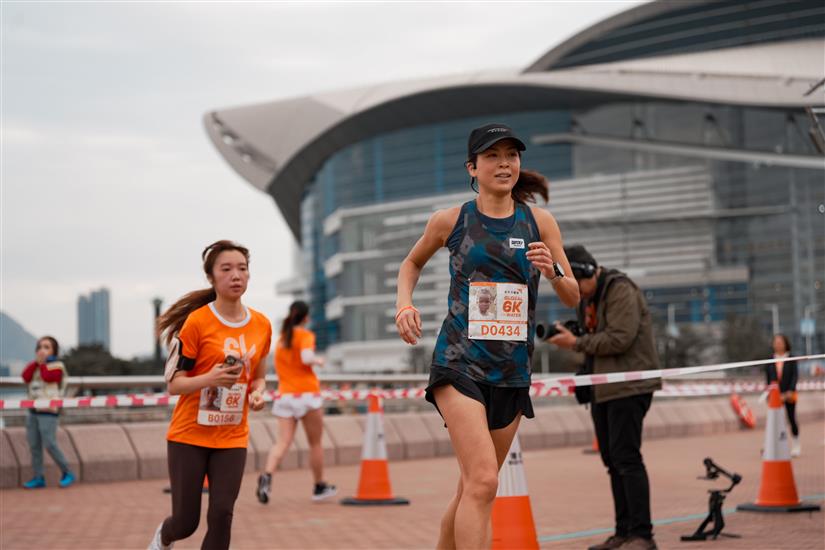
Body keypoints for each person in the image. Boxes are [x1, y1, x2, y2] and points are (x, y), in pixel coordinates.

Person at [395, 123, 579, 548]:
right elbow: (411, 263)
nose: (504, 164)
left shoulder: (539, 222)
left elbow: (572, 295)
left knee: (472, 488)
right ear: (472, 168)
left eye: (511, 155)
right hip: (459, 363)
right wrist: (404, 304)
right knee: (483, 482)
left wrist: (552, 270)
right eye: (492, 156)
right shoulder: (452, 220)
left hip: (512, 370)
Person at [149, 240, 272, 550]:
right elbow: (175, 384)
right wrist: (210, 379)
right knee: (185, 522)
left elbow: (258, 377)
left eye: (242, 268)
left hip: (232, 436)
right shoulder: (197, 322)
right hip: (189, 435)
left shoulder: (261, 325)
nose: (236, 275)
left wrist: (258, 395)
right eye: (226, 269)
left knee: (222, 514)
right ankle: (163, 538)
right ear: (211, 277)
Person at [550, 244, 661, 550]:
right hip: (603, 388)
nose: (577, 292)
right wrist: (575, 339)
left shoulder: (620, 289)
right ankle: (623, 532)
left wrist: (576, 343)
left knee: (627, 458)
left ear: (588, 271)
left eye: (577, 283)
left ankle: (643, 535)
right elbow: (594, 337)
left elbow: (620, 338)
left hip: (629, 385)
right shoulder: (587, 299)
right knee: (612, 461)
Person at [256, 300, 337, 504]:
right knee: (315, 444)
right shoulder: (305, 335)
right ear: (306, 317)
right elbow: (306, 357)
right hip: (307, 395)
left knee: (282, 443)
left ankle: (267, 476)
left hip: (286, 395)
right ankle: (319, 486)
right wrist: (319, 361)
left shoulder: (282, 339)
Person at [20, 336, 76, 489]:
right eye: (39, 347)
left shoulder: (57, 366)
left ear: (54, 351)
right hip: (33, 409)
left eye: (46, 347)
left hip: (49, 410)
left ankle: (67, 472)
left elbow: (49, 377)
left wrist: (43, 363)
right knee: (34, 445)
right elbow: (25, 377)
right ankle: (38, 477)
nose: (42, 350)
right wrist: (36, 363)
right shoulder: (35, 365)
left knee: (50, 443)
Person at [766, 333, 800, 457]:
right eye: (776, 342)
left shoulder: (791, 358)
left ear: (785, 344)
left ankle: (796, 444)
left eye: (780, 342)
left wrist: (790, 391)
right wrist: (770, 393)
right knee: (775, 422)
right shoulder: (770, 359)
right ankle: (774, 446)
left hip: (789, 395)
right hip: (775, 395)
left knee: (791, 419)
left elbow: (795, 376)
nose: (778, 345)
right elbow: (768, 378)